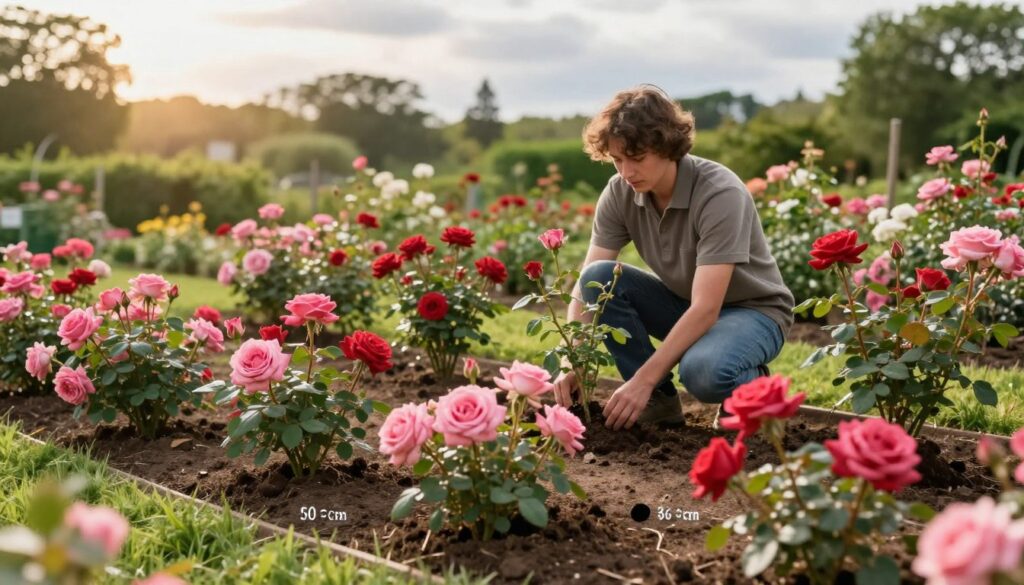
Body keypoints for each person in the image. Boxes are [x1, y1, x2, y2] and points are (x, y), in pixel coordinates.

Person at [553, 85, 794, 430]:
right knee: (599, 276)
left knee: (703, 372)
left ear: (668, 147)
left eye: (637, 159)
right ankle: (659, 404)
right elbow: (587, 281)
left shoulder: (719, 193)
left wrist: (642, 379)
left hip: (754, 313)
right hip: (686, 304)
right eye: (618, 159)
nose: (626, 172)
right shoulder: (620, 192)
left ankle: (754, 391)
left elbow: (707, 308)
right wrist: (570, 359)